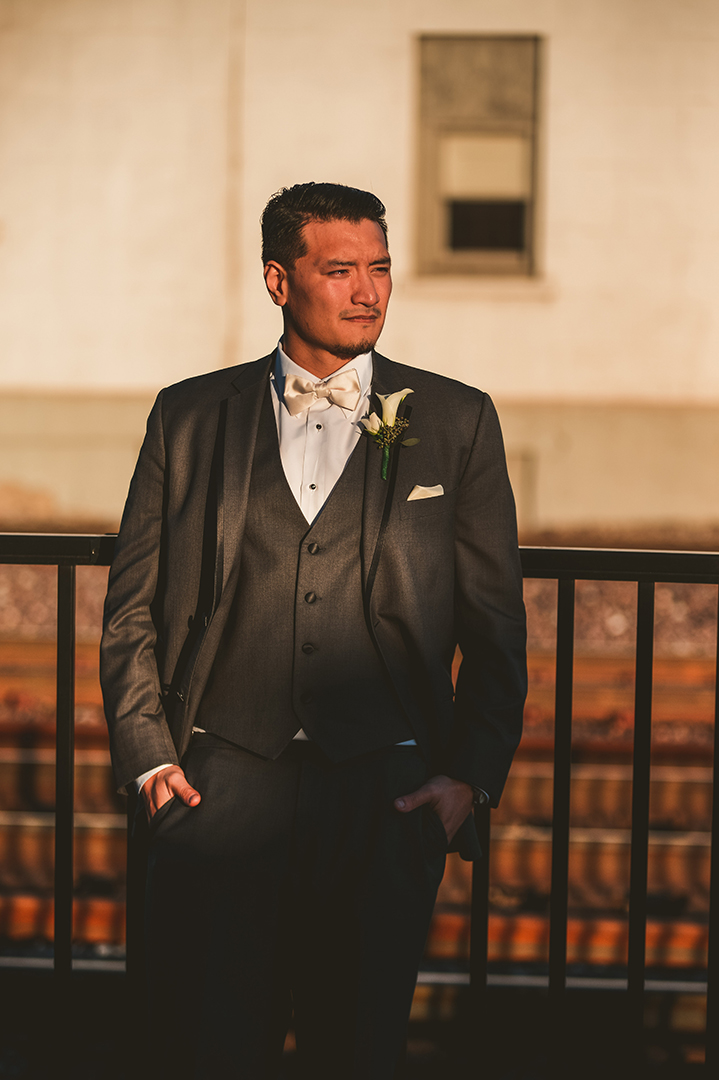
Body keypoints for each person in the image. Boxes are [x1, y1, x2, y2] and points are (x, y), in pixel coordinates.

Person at [100, 182, 527, 1079]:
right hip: (219, 785)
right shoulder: (189, 416)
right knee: (212, 1049)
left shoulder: (454, 420)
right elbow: (131, 606)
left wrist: (464, 780)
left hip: (386, 791)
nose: (367, 289)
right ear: (277, 279)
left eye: (378, 268)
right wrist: (149, 759)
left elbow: (495, 626)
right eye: (339, 270)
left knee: (358, 1048)